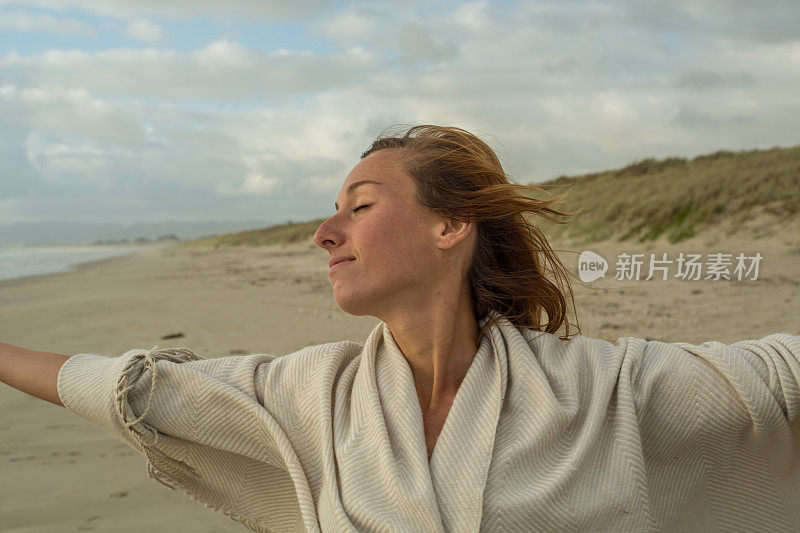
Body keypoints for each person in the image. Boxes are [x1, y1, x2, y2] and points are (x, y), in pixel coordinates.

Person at [1, 124, 799, 533]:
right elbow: (139, 389)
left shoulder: (603, 391)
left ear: (450, 225)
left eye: (360, 205)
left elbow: (777, 378)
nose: (325, 230)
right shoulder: (317, 395)